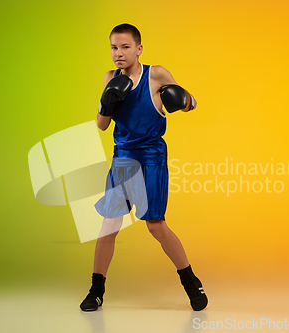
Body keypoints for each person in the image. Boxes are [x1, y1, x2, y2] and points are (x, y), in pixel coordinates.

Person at [79, 23, 208, 312]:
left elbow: (191, 103)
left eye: (125, 47)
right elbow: (101, 125)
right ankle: (96, 290)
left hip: (151, 158)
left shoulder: (156, 74)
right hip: (123, 158)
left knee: (156, 225)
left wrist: (183, 101)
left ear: (139, 49)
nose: (119, 53)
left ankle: (191, 282)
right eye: (114, 47)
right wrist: (107, 100)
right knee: (108, 226)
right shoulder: (110, 78)